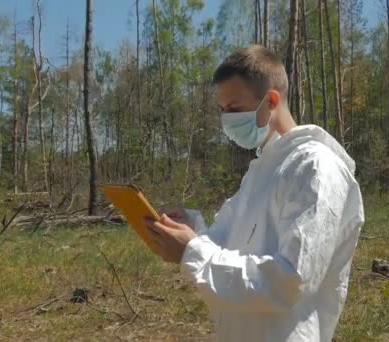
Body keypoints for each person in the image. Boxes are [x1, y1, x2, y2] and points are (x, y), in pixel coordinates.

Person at [145, 45, 364, 342]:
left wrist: (191, 251)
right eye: (223, 110)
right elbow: (226, 244)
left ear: (271, 100)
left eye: (234, 109)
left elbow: (290, 280)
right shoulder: (263, 169)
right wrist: (191, 228)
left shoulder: (315, 168)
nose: (226, 120)